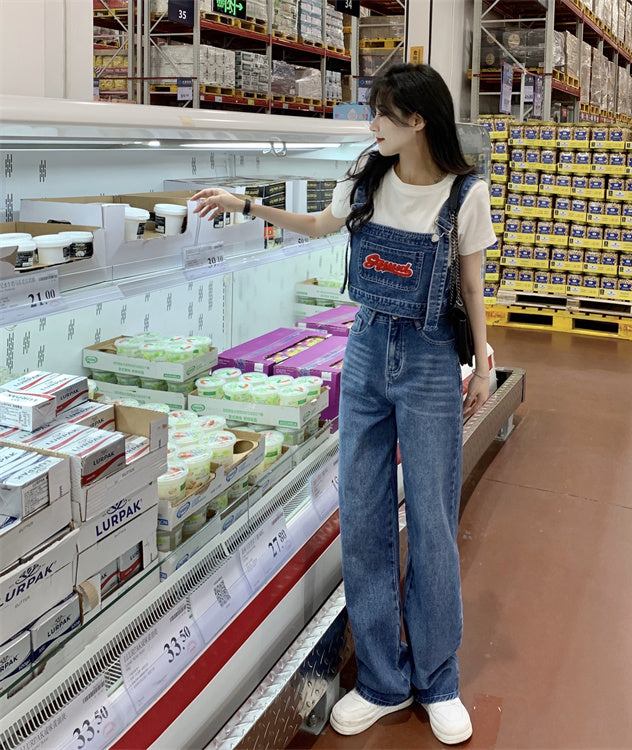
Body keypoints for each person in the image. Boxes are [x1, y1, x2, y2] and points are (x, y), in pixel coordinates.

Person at [191, 62, 495, 745]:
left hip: (430, 361)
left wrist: (482, 360)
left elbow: (473, 285)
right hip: (364, 352)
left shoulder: (465, 194)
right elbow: (316, 225)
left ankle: (438, 678)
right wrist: (247, 206)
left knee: (433, 519)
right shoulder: (367, 176)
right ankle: (384, 680)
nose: (371, 125)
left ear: (418, 120)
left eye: (382, 114)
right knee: (362, 516)